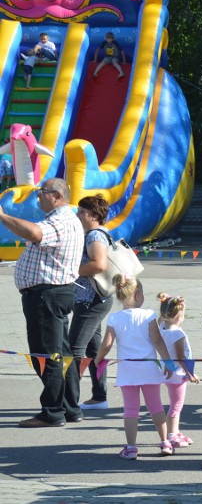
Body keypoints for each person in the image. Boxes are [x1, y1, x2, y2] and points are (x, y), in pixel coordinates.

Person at [0, 178, 84, 428]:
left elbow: (35, 233)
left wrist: (2, 217)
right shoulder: (65, 219)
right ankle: (70, 408)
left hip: (47, 295)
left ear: (56, 196)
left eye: (41, 193)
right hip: (52, 294)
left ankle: (52, 411)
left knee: (47, 355)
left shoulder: (60, 220)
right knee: (61, 353)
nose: (38, 197)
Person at [93, 275, 174, 459]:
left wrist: (98, 359)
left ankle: (131, 447)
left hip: (127, 370)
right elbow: (158, 341)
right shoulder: (149, 315)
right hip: (148, 368)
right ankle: (165, 443)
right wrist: (168, 362)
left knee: (130, 409)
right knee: (156, 407)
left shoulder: (114, 318)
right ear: (138, 295)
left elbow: (106, 344)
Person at [69, 194, 114, 411]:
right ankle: (99, 397)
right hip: (96, 298)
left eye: (81, 212)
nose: (78, 215)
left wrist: (70, 272)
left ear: (94, 215)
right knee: (95, 351)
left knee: (73, 349)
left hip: (91, 300)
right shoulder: (98, 233)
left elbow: (99, 264)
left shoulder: (94, 235)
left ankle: (66, 401)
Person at [157, 292, 200, 449]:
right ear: (179, 316)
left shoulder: (160, 327)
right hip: (177, 374)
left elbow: (161, 317)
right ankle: (172, 434)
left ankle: (175, 431)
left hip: (164, 370)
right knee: (176, 405)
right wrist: (191, 374)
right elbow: (182, 358)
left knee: (174, 404)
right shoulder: (178, 334)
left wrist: (173, 304)